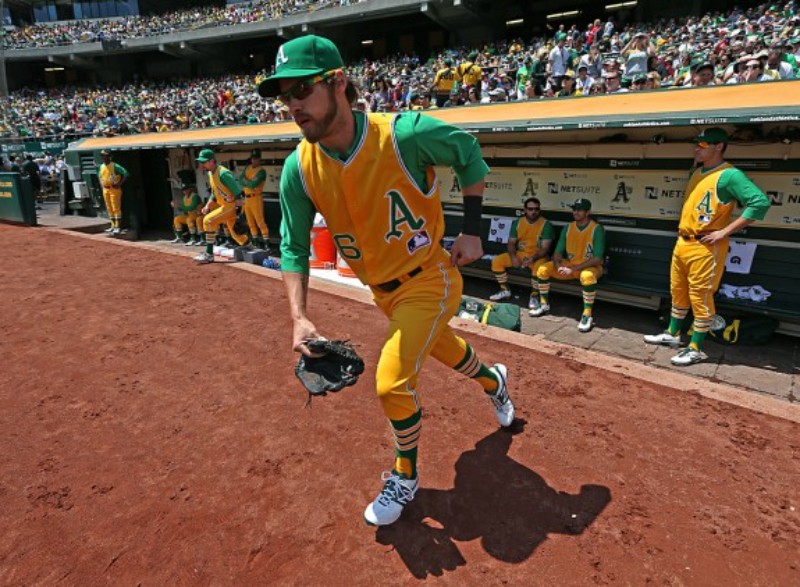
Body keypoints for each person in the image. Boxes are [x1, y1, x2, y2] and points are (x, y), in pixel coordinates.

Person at [258, 34, 515, 527]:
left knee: (391, 382)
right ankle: (494, 381)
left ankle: (405, 475)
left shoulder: (404, 134)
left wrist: (472, 229)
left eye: (302, 89)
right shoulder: (299, 168)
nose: (293, 105)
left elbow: (467, 152)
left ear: (338, 82)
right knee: (441, 348)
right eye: (285, 95)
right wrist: (299, 316)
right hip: (383, 293)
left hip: (431, 278)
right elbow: (292, 247)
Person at [644, 128, 771, 365]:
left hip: (706, 245)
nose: (697, 149)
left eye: (703, 145)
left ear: (719, 146)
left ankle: (695, 347)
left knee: (700, 296)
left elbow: (760, 202)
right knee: (678, 291)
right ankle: (672, 333)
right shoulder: (698, 172)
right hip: (684, 241)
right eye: (697, 144)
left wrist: (724, 232)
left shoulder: (729, 175)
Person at [531, 198, 605, 333]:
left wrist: (572, 269)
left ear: (588, 212)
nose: (576, 212)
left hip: (590, 267)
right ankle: (543, 304)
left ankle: (587, 314)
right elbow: (557, 253)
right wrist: (558, 264)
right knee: (542, 269)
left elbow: (597, 259)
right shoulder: (568, 228)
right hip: (570, 266)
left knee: (587, 276)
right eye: (574, 209)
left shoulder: (597, 229)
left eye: (580, 210)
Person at [489, 197, 555, 311]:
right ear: (524, 210)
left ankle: (534, 295)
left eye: (536, 209)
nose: (533, 212)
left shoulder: (546, 224)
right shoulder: (518, 222)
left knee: (539, 268)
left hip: (538, 256)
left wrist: (533, 258)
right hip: (520, 254)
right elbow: (511, 243)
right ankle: (505, 290)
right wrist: (513, 257)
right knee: (497, 261)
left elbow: (545, 248)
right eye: (530, 209)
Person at [193, 148, 248, 264]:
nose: (202, 164)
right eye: (201, 162)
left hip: (232, 205)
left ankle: (209, 254)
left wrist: (239, 212)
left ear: (212, 161)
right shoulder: (210, 173)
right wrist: (207, 205)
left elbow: (237, 192)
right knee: (236, 234)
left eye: (204, 162)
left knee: (208, 221)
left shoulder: (223, 173)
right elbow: (214, 192)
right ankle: (250, 247)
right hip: (226, 205)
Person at [238, 148, 270, 249]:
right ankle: (255, 243)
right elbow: (240, 180)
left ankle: (267, 244)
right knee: (250, 223)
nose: (254, 160)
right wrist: (249, 182)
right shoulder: (247, 168)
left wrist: (246, 181)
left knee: (260, 222)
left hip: (256, 198)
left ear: (260, 159)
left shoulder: (261, 171)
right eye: (252, 158)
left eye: (256, 158)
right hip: (247, 199)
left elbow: (253, 184)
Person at [98, 150, 129, 236]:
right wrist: (102, 186)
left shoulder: (114, 165)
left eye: (106, 156)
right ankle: (112, 225)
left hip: (114, 189)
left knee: (116, 208)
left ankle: (117, 226)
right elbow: (100, 176)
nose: (104, 157)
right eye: (102, 156)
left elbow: (126, 173)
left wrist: (119, 184)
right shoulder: (101, 166)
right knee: (109, 208)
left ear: (110, 157)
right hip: (105, 189)